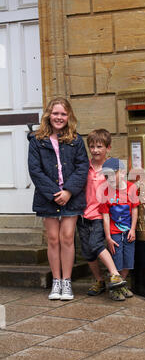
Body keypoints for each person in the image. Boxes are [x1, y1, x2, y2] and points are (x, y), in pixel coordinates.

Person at [28, 97, 89, 300]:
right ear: (48, 115)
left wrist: (69, 191)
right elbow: (35, 170)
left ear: (69, 116)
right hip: (48, 197)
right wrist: (54, 193)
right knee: (53, 239)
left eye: (63, 114)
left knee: (67, 238)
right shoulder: (37, 141)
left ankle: (67, 282)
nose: (59, 117)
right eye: (55, 113)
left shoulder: (76, 140)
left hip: (71, 196)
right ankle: (56, 281)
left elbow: (82, 168)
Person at [76, 129, 126, 296]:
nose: (95, 150)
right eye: (92, 146)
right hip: (83, 214)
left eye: (99, 146)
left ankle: (115, 275)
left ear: (108, 148)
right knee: (88, 252)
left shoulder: (113, 167)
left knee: (96, 244)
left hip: (101, 214)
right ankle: (99, 280)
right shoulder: (85, 167)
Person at [99, 157, 139, 301]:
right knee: (117, 260)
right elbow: (105, 216)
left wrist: (133, 229)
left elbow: (134, 210)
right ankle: (115, 288)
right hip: (114, 233)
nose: (108, 179)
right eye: (105, 176)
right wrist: (108, 237)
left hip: (128, 232)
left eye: (111, 175)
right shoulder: (105, 192)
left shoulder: (131, 188)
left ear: (121, 173)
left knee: (128, 260)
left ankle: (121, 284)